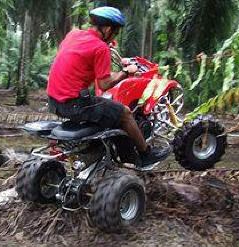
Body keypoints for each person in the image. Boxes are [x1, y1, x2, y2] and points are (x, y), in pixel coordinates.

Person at [47, 6, 170, 167]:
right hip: (73, 104)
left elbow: (80, 59)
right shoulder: (100, 48)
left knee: (110, 112)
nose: (115, 35)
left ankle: (123, 155)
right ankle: (145, 154)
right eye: (115, 32)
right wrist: (126, 72)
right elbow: (104, 84)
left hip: (54, 102)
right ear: (107, 29)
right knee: (124, 113)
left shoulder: (73, 34)